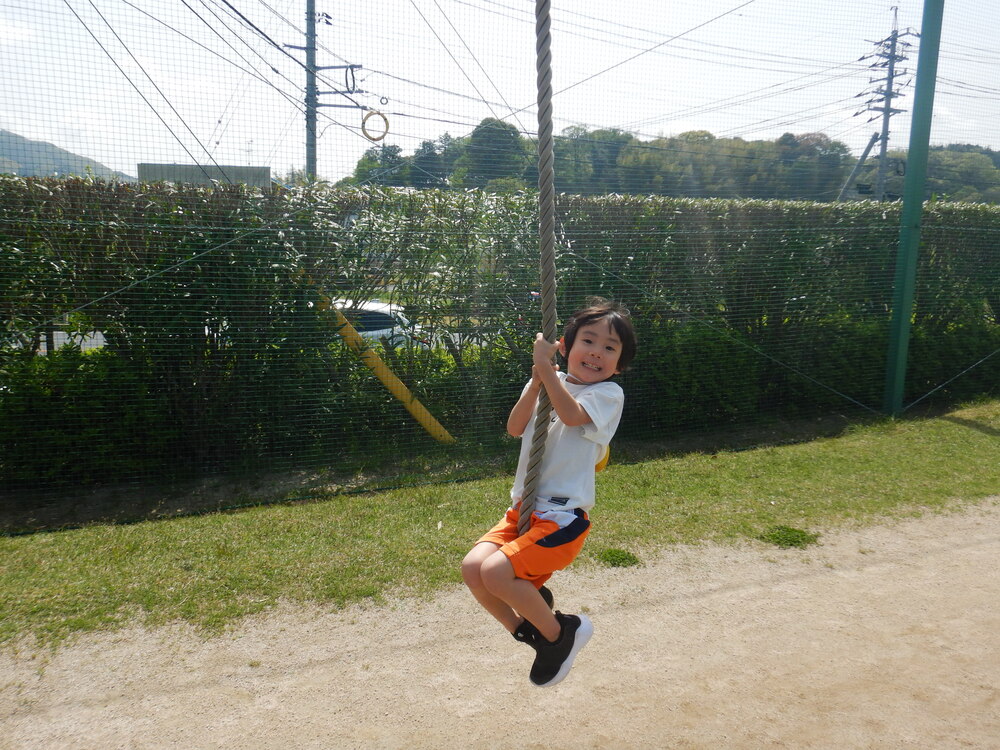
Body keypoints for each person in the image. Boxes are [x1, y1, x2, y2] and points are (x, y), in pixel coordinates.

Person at [461, 297, 637, 687]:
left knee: (495, 571)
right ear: (566, 346)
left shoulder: (608, 395)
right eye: (588, 341)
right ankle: (528, 631)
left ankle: (562, 633)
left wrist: (547, 372)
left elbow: (573, 416)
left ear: (620, 364)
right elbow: (515, 427)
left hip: (561, 520)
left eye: (610, 348)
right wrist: (539, 378)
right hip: (522, 511)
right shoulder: (546, 380)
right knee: (473, 570)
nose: (596, 352)